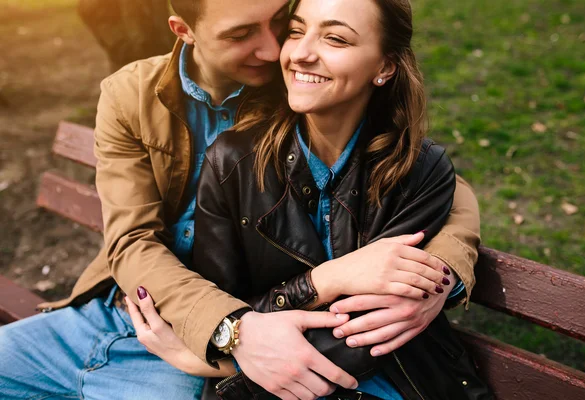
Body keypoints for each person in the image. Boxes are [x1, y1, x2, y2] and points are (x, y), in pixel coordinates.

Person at [0, 0, 481, 399]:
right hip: (132, 312)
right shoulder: (131, 95)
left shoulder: (296, 84)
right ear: (183, 30)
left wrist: (438, 273)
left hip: (223, 336)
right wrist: (232, 330)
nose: (273, 49)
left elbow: (433, 179)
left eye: (278, 24)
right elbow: (131, 242)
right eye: (241, 34)